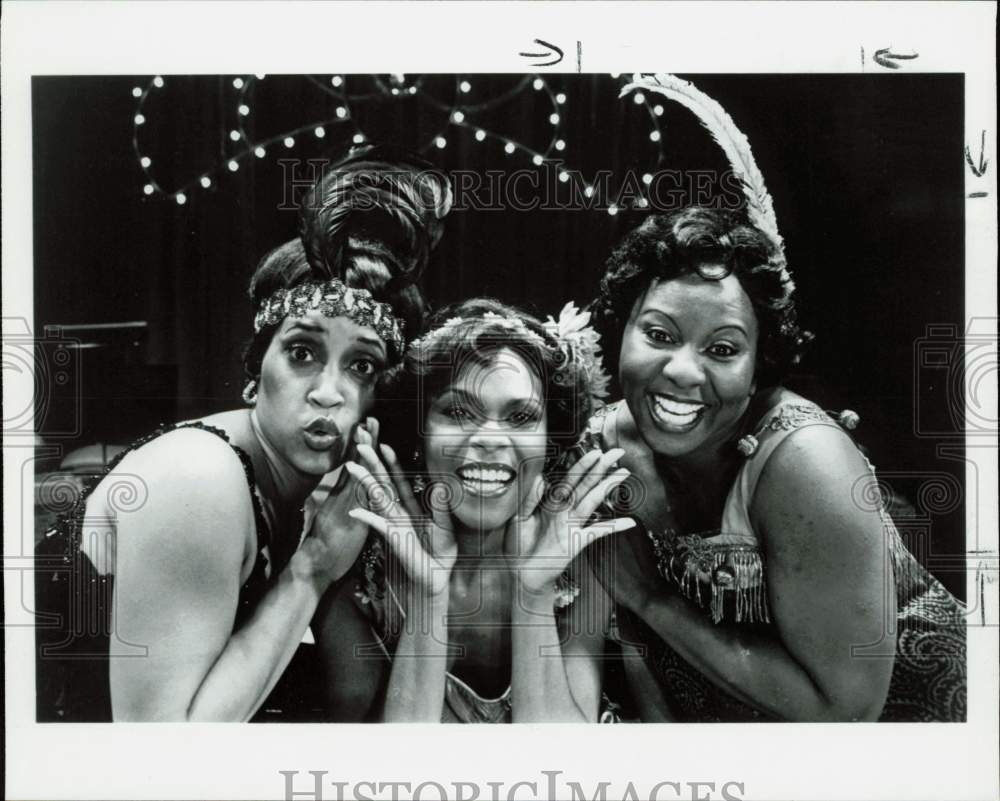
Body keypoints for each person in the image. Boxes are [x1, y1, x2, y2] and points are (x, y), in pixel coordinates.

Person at [34, 146, 452, 721]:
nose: (328, 391)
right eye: (303, 352)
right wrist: (313, 569)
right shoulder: (200, 480)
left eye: (361, 366)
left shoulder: (319, 500)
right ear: (257, 372)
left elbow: (351, 709)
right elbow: (164, 754)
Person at [584, 205, 967, 722]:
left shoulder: (804, 460)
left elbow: (846, 711)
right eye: (658, 335)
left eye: (722, 349)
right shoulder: (603, 447)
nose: (681, 371)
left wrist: (653, 599)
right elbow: (634, 644)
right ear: (621, 327)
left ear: (759, 360)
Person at [311, 298, 634, 722]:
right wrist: (428, 596)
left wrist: (534, 592)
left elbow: (560, 764)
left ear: (550, 439)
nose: (490, 438)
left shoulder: (581, 555)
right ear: (419, 430)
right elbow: (391, 774)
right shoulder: (363, 565)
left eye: (520, 417)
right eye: (459, 411)